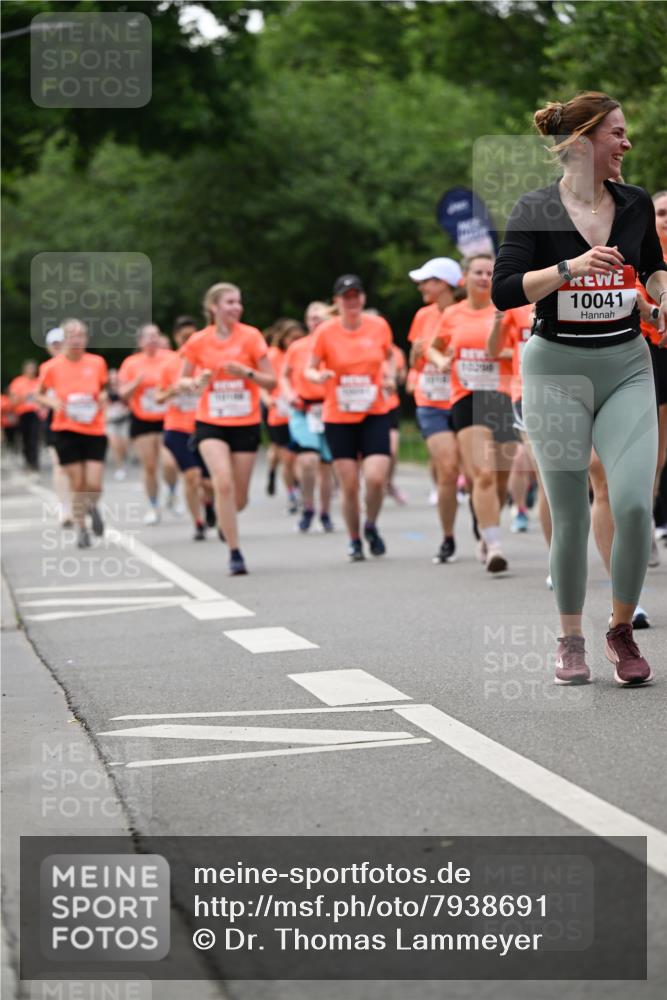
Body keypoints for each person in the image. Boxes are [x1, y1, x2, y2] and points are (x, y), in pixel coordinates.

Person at [492, 91, 667, 686]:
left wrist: (662, 296)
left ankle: (620, 630)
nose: (627, 143)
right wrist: (569, 268)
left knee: (636, 500)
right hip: (556, 369)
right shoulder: (534, 208)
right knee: (568, 511)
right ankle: (570, 638)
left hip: (626, 363)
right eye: (617, 133)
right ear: (585, 140)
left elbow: (652, 265)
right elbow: (505, 290)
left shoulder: (636, 202)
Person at [180, 282, 276, 575]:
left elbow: (271, 382)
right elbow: (181, 381)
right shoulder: (198, 341)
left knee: (240, 498)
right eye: (229, 302)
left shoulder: (251, 336)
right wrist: (196, 383)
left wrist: (246, 372)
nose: (236, 307)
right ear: (214, 308)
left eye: (238, 302)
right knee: (222, 481)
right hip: (210, 421)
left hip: (245, 422)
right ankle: (235, 553)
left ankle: (224, 517)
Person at [432, 255, 517, 572]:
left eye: (490, 273)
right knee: (480, 473)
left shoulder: (508, 307)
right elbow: (434, 346)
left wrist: (500, 351)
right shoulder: (452, 313)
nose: (483, 277)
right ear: (464, 277)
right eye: (477, 272)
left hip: (501, 394)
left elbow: (522, 345)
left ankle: (485, 526)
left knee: (500, 477)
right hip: (465, 395)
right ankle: (494, 544)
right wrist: (439, 360)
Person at [305, 274, 395, 561]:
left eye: (356, 295)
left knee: (376, 478)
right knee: (349, 484)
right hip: (339, 416)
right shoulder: (326, 331)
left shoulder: (378, 326)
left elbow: (389, 356)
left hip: (374, 412)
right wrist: (318, 376)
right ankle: (354, 538)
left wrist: (390, 375)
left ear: (363, 298)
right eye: (346, 296)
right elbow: (309, 368)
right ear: (337, 302)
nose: (352, 300)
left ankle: (371, 525)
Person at [407, 257, 464, 562]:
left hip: (465, 398)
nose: (421, 287)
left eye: (427, 281)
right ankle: (448, 537)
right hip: (430, 400)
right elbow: (415, 363)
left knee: (480, 472)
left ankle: (484, 526)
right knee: (448, 469)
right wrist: (416, 357)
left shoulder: (465, 314)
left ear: (444, 284)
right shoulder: (422, 316)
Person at [35, 319, 108, 548]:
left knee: (94, 484)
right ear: (65, 339)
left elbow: (103, 388)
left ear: (86, 339)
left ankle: (91, 505)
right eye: (72, 336)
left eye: (81, 336)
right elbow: (39, 394)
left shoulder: (97, 363)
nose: (77, 340)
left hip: (93, 427)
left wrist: (103, 397)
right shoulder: (51, 367)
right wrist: (53, 403)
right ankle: (82, 528)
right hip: (65, 429)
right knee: (78, 483)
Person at [156, 316, 214, 541]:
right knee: (192, 476)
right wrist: (175, 390)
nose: (188, 340)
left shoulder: (206, 361)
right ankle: (198, 522)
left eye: (192, 336)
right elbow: (159, 396)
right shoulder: (169, 365)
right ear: (176, 338)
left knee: (208, 482)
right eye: (183, 337)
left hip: (205, 424)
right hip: (177, 426)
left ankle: (209, 503)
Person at [282, 302, 335, 533]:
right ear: (306, 322)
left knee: (326, 466)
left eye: (320, 318)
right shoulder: (297, 347)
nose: (316, 322)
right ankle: (308, 506)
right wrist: (289, 394)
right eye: (312, 318)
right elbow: (284, 376)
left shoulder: (336, 344)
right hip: (303, 409)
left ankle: (324, 512)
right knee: (308, 461)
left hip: (330, 410)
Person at [117, 324, 172, 524]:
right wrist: (136, 382)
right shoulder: (131, 363)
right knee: (149, 467)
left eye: (156, 335)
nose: (152, 339)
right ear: (140, 341)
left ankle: (173, 492)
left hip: (168, 418)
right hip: (142, 419)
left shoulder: (170, 358)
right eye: (148, 336)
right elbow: (122, 394)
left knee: (169, 463)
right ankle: (154, 506)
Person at [264, 319, 303, 514]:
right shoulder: (272, 355)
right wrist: (267, 400)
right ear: (283, 339)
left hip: (300, 411)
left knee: (300, 457)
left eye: (298, 338)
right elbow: (261, 384)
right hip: (278, 413)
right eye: (291, 339)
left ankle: (300, 487)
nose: (294, 342)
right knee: (287, 458)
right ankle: (291, 492)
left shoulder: (303, 353)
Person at [39, 327, 73, 526]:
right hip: (55, 419)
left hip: (80, 420)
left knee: (78, 466)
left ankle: (81, 503)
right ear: (49, 348)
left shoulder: (81, 364)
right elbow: (39, 396)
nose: (59, 348)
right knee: (59, 465)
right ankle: (64, 507)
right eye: (55, 345)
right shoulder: (47, 368)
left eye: (61, 343)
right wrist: (50, 403)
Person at [384, 341, 408, 504]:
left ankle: (389, 483)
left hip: (390, 405)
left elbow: (402, 377)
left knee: (392, 451)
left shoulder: (396, 351)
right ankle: (368, 487)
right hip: (367, 408)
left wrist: (395, 377)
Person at [9, 360, 41, 471]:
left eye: (33, 368)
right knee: (25, 438)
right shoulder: (18, 382)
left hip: (36, 414)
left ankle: (34, 462)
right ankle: (28, 461)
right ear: (25, 369)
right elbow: (12, 400)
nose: (31, 370)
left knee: (34, 438)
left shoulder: (38, 382)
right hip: (22, 414)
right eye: (29, 368)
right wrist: (23, 397)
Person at [105, 369, 131, 480]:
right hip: (111, 422)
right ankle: (119, 468)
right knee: (116, 446)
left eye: (116, 378)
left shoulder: (124, 390)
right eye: (112, 378)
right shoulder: (105, 391)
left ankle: (124, 462)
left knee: (124, 446)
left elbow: (131, 404)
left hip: (124, 420)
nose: (114, 380)